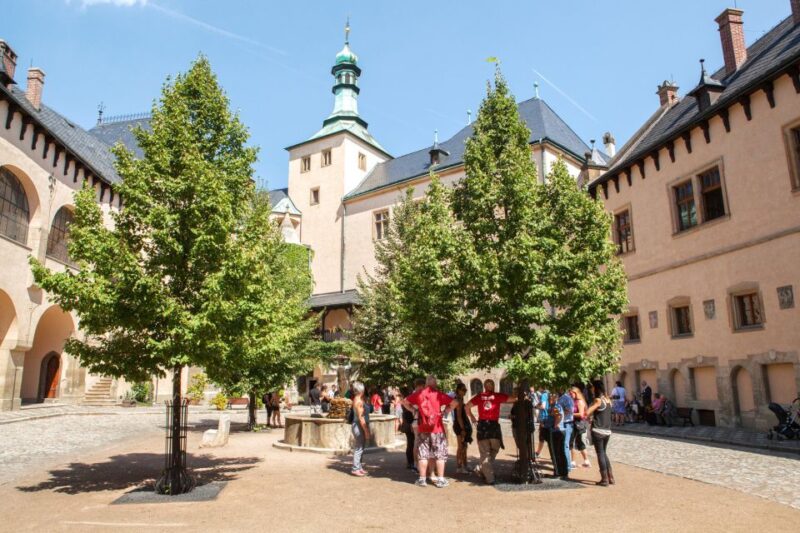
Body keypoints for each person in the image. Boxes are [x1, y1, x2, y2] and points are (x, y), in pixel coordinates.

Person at [402, 376, 458, 488]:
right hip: (437, 429)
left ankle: (422, 479)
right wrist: (445, 411)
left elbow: (404, 402)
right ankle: (441, 480)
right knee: (439, 455)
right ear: (435, 384)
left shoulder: (419, 394)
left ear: (426, 384)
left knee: (423, 455)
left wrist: (414, 410)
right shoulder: (438, 394)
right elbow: (455, 402)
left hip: (423, 428)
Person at [465, 378, 516, 485]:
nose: (490, 386)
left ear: (485, 386)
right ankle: (490, 478)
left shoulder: (480, 396)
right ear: (492, 386)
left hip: (484, 426)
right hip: (491, 426)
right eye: (490, 384)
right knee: (489, 451)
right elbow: (514, 399)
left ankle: (482, 468)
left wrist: (472, 417)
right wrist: (521, 396)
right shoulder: (497, 396)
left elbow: (467, 407)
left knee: (489, 451)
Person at [586, 380, 614, 486]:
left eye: (592, 387)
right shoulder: (608, 400)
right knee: (604, 453)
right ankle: (611, 477)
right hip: (607, 430)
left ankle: (604, 479)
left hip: (598, 430)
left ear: (596, 388)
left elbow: (588, 412)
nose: (591, 389)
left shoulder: (598, 400)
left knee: (600, 454)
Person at [349, 381, 370, 477]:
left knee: (361, 447)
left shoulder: (356, 399)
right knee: (359, 448)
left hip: (357, 425)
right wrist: (366, 431)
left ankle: (359, 467)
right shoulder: (359, 402)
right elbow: (361, 418)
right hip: (358, 426)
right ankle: (355, 469)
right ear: (361, 390)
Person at [452, 382, 473, 474]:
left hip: (461, 424)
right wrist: (463, 429)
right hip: (460, 426)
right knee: (461, 447)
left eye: (466, 390)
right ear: (458, 390)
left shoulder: (460, 399)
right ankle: (459, 467)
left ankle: (465, 465)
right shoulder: (458, 400)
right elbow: (459, 416)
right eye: (463, 390)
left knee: (464, 446)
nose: (465, 391)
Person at [548, 392, 569, 479]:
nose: (549, 400)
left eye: (551, 398)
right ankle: (564, 472)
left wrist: (556, 424)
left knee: (556, 453)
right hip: (561, 430)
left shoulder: (556, 406)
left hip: (556, 431)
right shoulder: (558, 406)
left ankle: (558, 472)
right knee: (561, 452)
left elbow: (558, 415)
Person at [569, 385, 591, 468]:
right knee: (578, 443)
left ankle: (573, 462)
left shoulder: (579, 401)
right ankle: (586, 461)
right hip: (576, 423)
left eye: (571, 393)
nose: (570, 395)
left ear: (576, 393)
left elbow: (581, 414)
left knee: (574, 443)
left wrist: (570, 413)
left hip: (578, 424)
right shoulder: (574, 401)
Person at [557, 388, 575, 472]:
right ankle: (563, 465)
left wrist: (559, 412)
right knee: (562, 445)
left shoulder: (566, 398)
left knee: (565, 445)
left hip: (567, 423)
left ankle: (568, 467)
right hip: (562, 423)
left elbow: (569, 410)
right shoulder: (560, 398)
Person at [534, 388, 550, 459]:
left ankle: (537, 453)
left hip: (544, 418)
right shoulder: (549, 394)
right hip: (549, 417)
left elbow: (543, 406)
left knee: (542, 437)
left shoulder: (544, 395)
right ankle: (538, 452)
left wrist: (536, 406)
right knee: (545, 437)